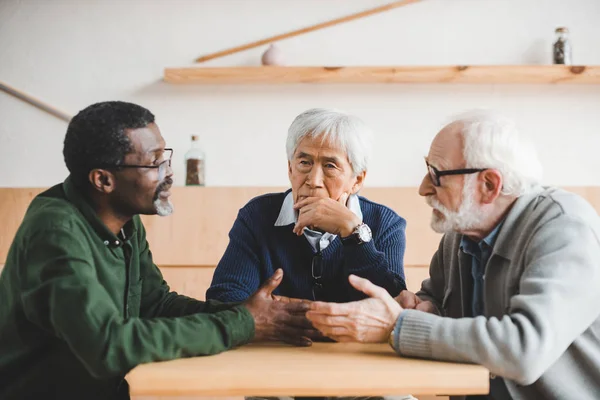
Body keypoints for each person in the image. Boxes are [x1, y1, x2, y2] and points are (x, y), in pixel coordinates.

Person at [0, 101, 315, 400]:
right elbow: (106, 344)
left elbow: (154, 303)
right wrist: (243, 324)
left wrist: (249, 313)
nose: (169, 173)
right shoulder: (55, 232)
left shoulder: (124, 222)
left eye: (166, 157)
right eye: (154, 163)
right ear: (103, 180)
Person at [306, 110, 600, 400]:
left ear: (488, 185)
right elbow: (436, 303)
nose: (423, 188)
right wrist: (420, 307)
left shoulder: (565, 227)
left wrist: (398, 325)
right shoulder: (459, 233)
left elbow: (524, 350)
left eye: (436, 175)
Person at [207, 108, 407, 304]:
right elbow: (223, 299)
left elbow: (394, 304)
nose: (313, 180)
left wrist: (354, 234)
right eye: (304, 162)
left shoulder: (385, 223)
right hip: (275, 338)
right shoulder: (257, 216)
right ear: (290, 168)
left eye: (330, 166)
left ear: (357, 180)